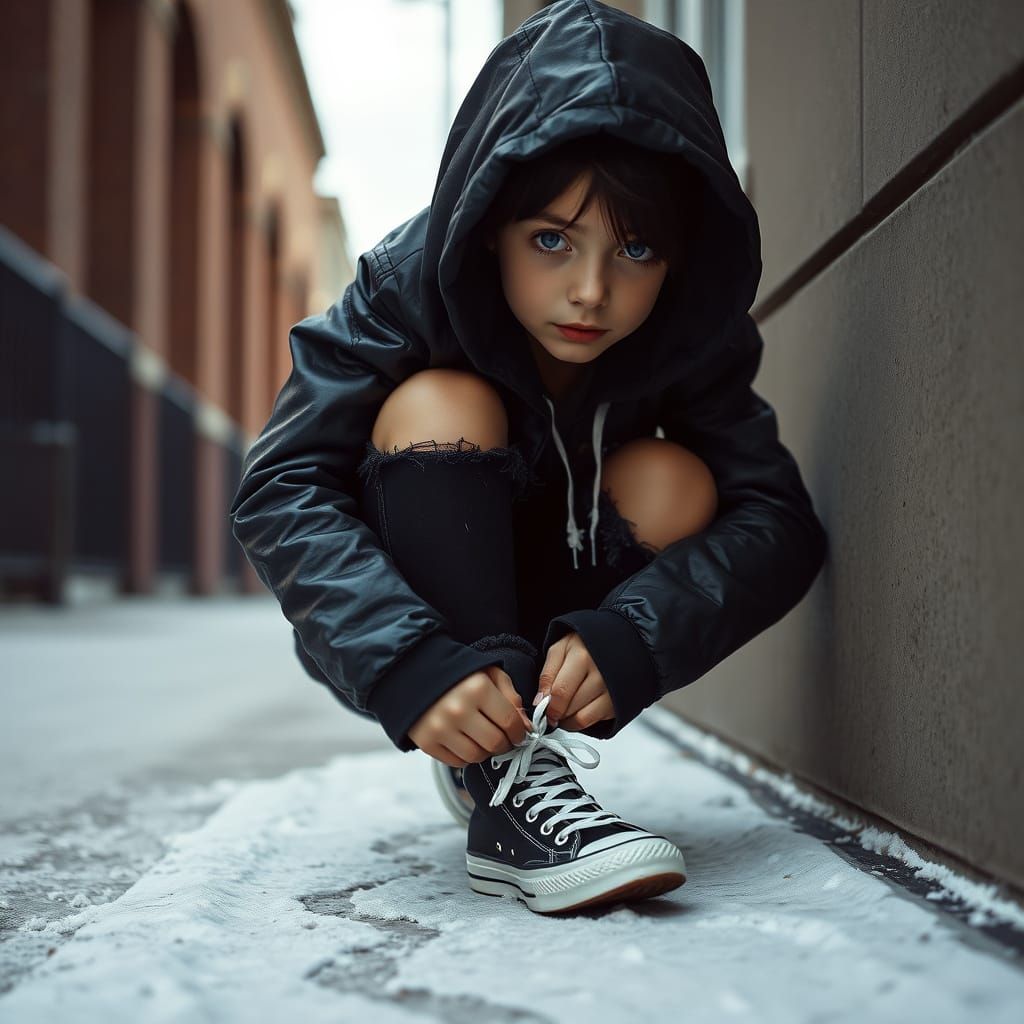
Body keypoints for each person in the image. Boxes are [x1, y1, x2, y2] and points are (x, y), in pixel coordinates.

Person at [229, 0, 828, 915]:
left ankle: (509, 748)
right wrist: (408, 663)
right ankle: (503, 788)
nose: (591, 291)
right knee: (441, 400)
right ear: (493, 225)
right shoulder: (408, 282)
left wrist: (637, 634)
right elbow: (281, 485)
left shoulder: (691, 332)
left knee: (677, 482)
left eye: (634, 248)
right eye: (551, 240)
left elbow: (778, 522)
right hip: (412, 611)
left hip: (567, 616)